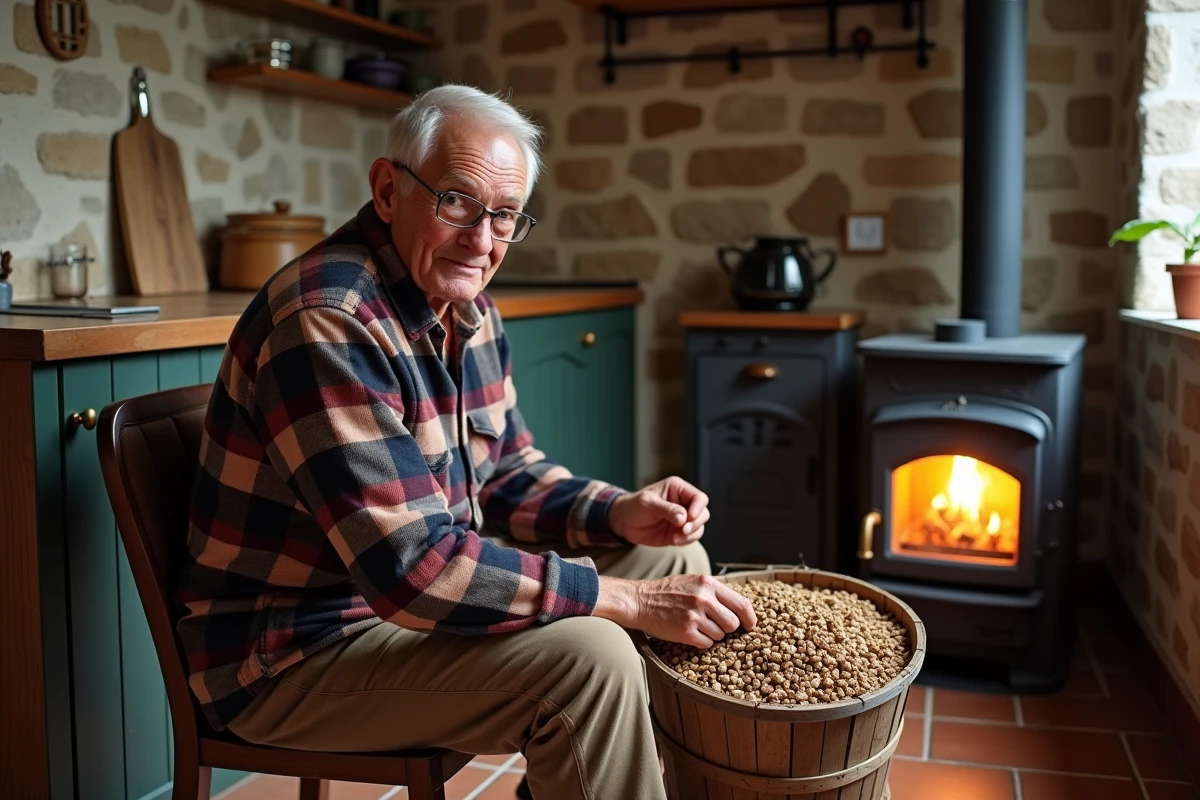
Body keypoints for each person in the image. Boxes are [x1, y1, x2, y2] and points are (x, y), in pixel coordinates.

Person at [178, 84, 756, 800]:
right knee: (593, 658)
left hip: (404, 616)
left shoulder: (468, 307)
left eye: (505, 217)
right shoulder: (328, 321)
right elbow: (413, 569)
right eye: (457, 201)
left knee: (669, 551)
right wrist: (629, 603)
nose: (482, 241)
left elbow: (506, 476)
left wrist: (617, 511)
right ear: (388, 190)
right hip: (290, 656)